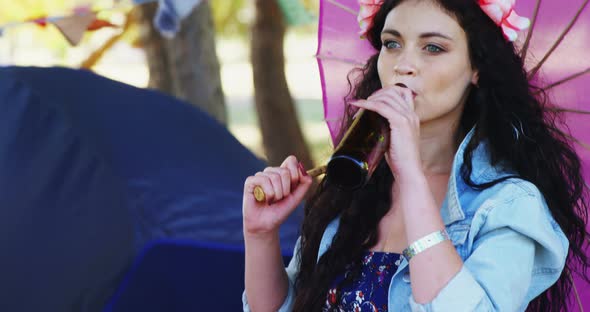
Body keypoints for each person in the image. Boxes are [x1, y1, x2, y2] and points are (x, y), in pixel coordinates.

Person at [241, 0, 589, 311]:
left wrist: (411, 178)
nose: (404, 65)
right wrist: (260, 235)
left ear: (477, 68)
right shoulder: (354, 183)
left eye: (433, 48)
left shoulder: (507, 206)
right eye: (392, 44)